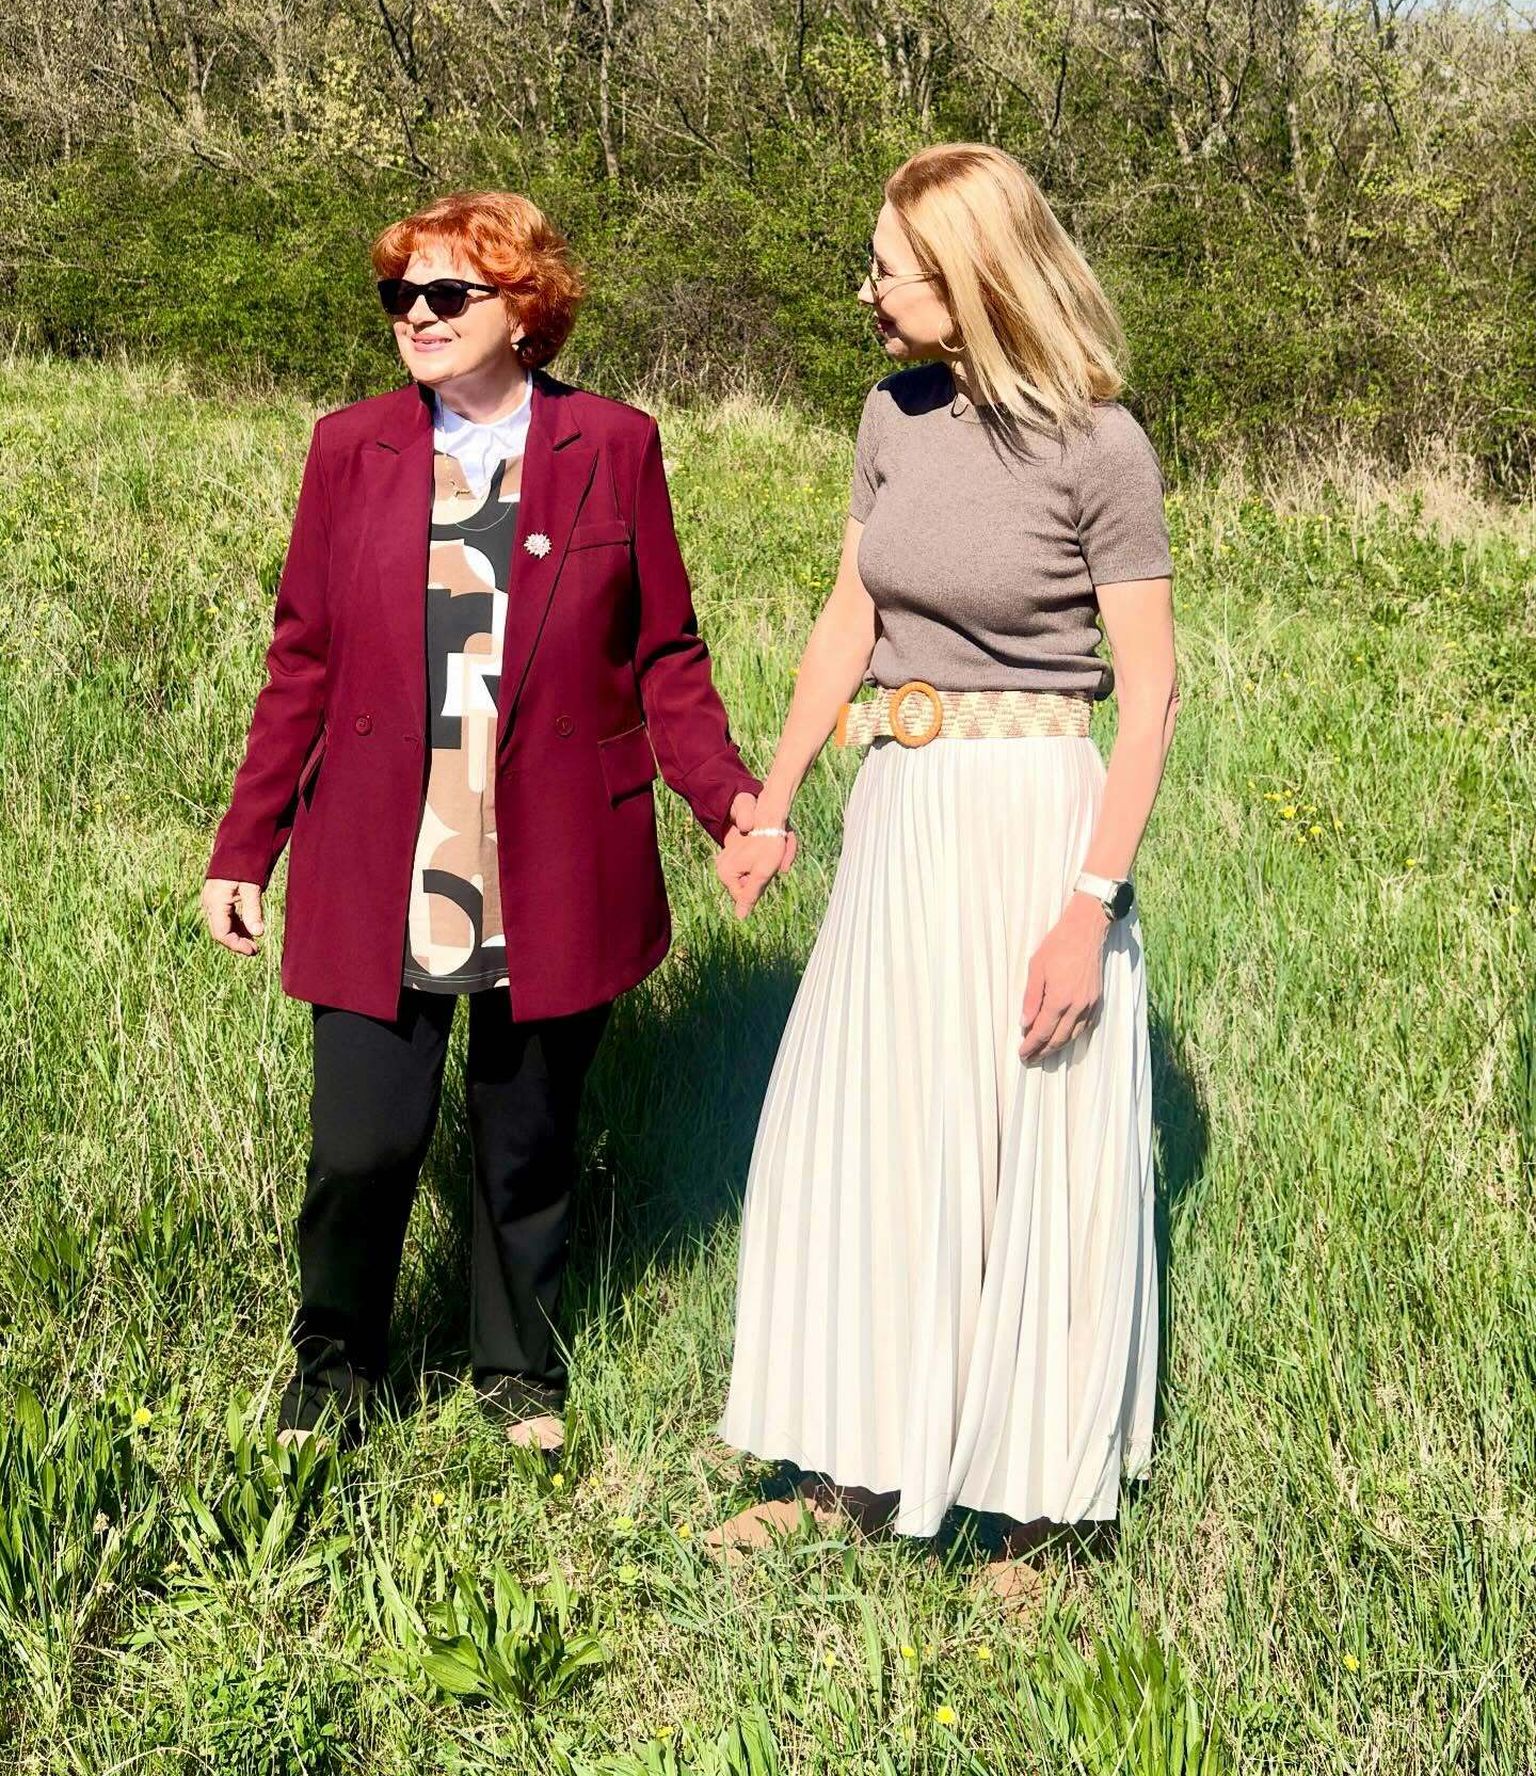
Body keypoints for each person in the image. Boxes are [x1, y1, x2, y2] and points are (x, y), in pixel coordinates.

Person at [200, 189, 780, 1451]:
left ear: (525, 309)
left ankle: (517, 1368)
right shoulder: (348, 446)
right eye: (399, 293)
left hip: (553, 846)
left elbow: (664, 652)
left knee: (525, 1141)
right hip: (383, 846)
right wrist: (245, 846)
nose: (416, 314)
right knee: (363, 1142)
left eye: (446, 293)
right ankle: (333, 1366)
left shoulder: (613, 444)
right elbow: (301, 658)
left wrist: (729, 799)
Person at [708, 144, 1179, 1602]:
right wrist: (772, 800)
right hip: (901, 810)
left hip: (1035, 820)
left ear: (970, 274)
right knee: (865, 1135)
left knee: (1034, 1148)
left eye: (888, 269)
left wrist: (1086, 912)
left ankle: (1039, 1515)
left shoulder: (1102, 446)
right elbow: (847, 619)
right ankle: (848, 1471)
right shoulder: (890, 415)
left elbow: (1150, 697)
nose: (866, 292)